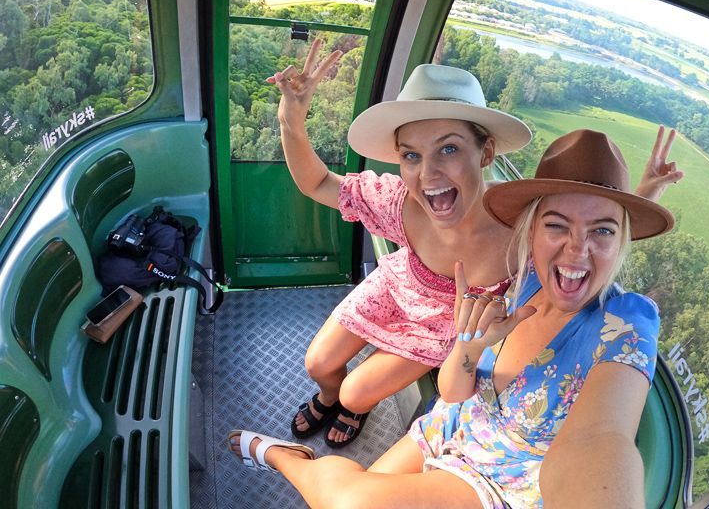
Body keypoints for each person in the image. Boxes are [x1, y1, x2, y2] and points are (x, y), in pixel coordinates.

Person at [228, 128, 675, 508]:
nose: (577, 249)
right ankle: (297, 458)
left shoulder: (627, 324)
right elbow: (453, 392)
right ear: (531, 232)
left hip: (502, 484)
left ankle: (286, 459)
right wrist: (468, 345)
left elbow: (602, 439)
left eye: (603, 231)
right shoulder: (524, 280)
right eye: (556, 226)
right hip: (451, 426)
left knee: (349, 502)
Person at [269, 39, 682, 447]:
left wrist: (643, 194)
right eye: (411, 155)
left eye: (448, 148)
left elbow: (582, 232)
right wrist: (291, 121)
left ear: (485, 154)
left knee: (355, 394)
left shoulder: (517, 225)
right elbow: (318, 183)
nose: (427, 174)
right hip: (395, 288)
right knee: (318, 364)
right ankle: (328, 398)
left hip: (448, 324)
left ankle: (351, 407)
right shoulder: (398, 203)